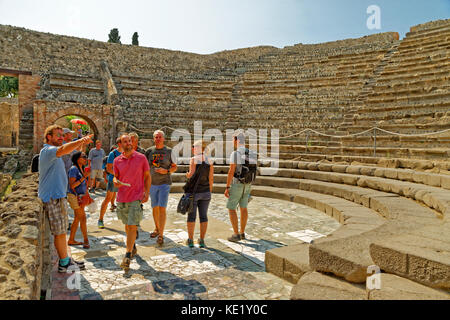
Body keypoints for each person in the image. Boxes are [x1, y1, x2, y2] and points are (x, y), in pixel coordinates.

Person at [38, 124, 93, 272]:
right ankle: (64, 263)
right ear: (49, 137)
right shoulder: (48, 151)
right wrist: (81, 140)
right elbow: (64, 149)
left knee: (62, 231)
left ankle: (66, 259)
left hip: (57, 196)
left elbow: (71, 152)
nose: (61, 138)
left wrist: (81, 144)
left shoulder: (54, 153)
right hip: (53, 197)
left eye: (62, 135)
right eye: (58, 135)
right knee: (60, 231)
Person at [113, 134, 151, 272]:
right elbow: (115, 177)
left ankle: (127, 255)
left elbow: (147, 176)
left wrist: (147, 192)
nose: (128, 143)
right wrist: (115, 181)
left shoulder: (141, 158)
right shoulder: (117, 160)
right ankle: (132, 245)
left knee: (131, 225)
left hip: (136, 196)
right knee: (127, 226)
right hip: (122, 197)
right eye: (125, 141)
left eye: (129, 141)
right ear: (120, 144)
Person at [145, 130, 177, 246]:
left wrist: (166, 171)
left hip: (164, 183)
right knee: (155, 207)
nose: (158, 139)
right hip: (152, 183)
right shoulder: (149, 151)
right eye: (156, 137)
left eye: (160, 137)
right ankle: (157, 228)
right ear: (153, 139)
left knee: (162, 207)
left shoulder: (169, 151)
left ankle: (161, 234)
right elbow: (145, 168)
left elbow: (174, 167)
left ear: (163, 138)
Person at [224, 132, 256, 242]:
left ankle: (236, 234)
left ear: (236, 140)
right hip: (247, 184)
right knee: (244, 208)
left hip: (237, 183)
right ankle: (242, 232)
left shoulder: (235, 153)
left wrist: (227, 187)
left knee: (231, 208)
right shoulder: (252, 152)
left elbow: (231, 170)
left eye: (233, 140)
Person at [184, 140, 214, 248]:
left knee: (191, 216)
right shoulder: (209, 160)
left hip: (194, 192)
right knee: (203, 216)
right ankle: (201, 240)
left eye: (194, 146)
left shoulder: (193, 159)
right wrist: (209, 191)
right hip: (206, 192)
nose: (192, 148)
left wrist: (187, 174)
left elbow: (191, 175)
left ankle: (190, 240)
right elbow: (211, 178)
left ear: (199, 148)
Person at [67, 151, 91, 249]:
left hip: (80, 197)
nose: (85, 159)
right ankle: (86, 240)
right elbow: (72, 185)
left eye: (86, 157)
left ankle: (71, 239)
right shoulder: (73, 169)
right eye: (83, 157)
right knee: (83, 218)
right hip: (74, 196)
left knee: (77, 218)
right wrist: (84, 177)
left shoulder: (81, 169)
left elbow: (84, 184)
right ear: (77, 159)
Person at [98, 138, 123, 228]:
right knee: (108, 198)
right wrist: (119, 175)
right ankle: (100, 219)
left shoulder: (127, 153)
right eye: (125, 142)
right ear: (119, 144)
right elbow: (108, 169)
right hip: (114, 179)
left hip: (124, 181)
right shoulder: (113, 154)